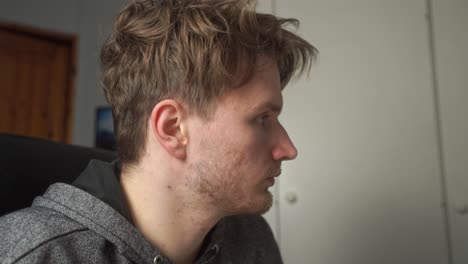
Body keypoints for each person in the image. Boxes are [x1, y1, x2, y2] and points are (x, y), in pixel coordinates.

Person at [0, 0, 317, 263]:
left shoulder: (251, 240)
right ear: (173, 128)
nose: (288, 148)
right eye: (262, 119)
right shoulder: (36, 255)